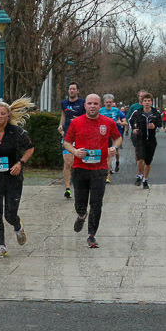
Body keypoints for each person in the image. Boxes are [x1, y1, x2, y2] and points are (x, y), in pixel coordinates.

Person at [0, 98, 35, 258]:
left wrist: (20, 163)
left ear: (8, 115)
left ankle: (18, 227)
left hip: (13, 178)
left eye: (3, 113)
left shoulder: (17, 132)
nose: (0, 116)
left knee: (9, 214)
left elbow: (30, 148)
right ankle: (2, 246)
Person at [64, 94, 122, 248]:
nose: (92, 106)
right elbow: (67, 142)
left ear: (100, 105)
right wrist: (75, 152)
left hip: (100, 169)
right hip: (80, 168)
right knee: (80, 203)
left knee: (96, 203)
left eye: (95, 104)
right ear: (85, 106)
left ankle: (91, 236)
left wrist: (114, 148)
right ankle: (81, 215)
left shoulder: (108, 122)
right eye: (89, 103)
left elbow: (118, 138)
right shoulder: (76, 122)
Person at [127, 92, 160, 189]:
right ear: (142, 102)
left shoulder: (155, 113)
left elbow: (160, 124)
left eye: (149, 101)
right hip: (140, 139)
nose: (147, 102)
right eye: (145, 101)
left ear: (151, 102)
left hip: (151, 140)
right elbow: (130, 120)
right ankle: (139, 176)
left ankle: (145, 179)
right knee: (140, 159)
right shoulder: (137, 112)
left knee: (148, 162)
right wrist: (133, 129)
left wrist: (155, 127)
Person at [59, 82, 86, 199]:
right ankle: (67, 188)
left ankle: (79, 184)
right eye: (70, 89)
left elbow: (88, 117)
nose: (72, 91)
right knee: (68, 162)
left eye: (74, 89)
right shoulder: (64, 103)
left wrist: (79, 120)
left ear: (78, 91)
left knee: (77, 162)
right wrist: (60, 126)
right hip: (67, 136)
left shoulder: (83, 103)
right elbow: (63, 115)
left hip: (79, 135)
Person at [99, 94, 127, 179]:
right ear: (104, 103)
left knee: (114, 152)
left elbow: (125, 122)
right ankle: (108, 171)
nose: (108, 104)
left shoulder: (116, 111)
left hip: (114, 134)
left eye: (110, 102)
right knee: (106, 153)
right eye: (107, 102)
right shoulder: (100, 110)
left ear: (112, 102)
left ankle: (116, 163)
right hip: (103, 134)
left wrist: (120, 123)